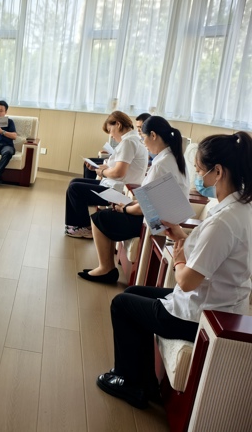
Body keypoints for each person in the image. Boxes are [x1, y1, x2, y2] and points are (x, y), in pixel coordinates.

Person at [96, 132, 252, 409]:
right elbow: (216, 254)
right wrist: (181, 235)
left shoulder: (224, 221)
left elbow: (188, 281)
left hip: (200, 314)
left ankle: (131, 384)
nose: (198, 176)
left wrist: (178, 260)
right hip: (221, 302)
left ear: (218, 172)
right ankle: (144, 382)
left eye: (200, 170)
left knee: (122, 304)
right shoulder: (242, 207)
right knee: (134, 292)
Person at [78, 116, 189, 284]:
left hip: (156, 223)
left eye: (143, 137)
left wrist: (124, 208)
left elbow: (144, 207)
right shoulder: (173, 159)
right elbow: (152, 198)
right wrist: (130, 204)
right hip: (162, 218)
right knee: (109, 214)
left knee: (99, 218)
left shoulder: (161, 164)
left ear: (153, 135)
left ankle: (105, 269)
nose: (143, 142)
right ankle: (107, 268)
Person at [65, 111, 148, 238]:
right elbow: (121, 168)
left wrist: (102, 172)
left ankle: (85, 227)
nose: (111, 135)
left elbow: (119, 172)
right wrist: (104, 168)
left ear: (118, 124)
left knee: (75, 189)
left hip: (118, 190)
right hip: (115, 185)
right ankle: (75, 226)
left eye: (110, 130)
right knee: (74, 182)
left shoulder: (129, 142)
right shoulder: (131, 140)